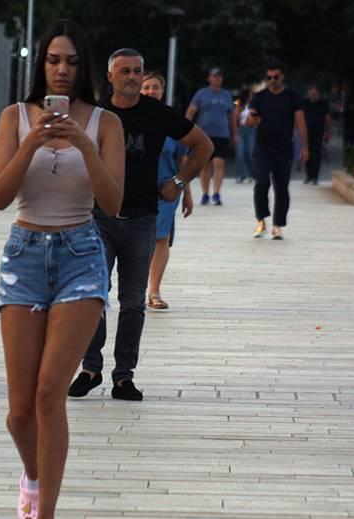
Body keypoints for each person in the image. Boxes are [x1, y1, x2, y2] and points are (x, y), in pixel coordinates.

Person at [0, 19, 125, 519]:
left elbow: (112, 202)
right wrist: (33, 142)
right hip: (23, 256)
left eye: (71, 61)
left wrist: (83, 145)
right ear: (40, 64)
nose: (62, 70)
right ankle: (32, 476)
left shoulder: (105, 123)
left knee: (50, 393)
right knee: (19, 413)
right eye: (53, 60)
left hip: (81, 254)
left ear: (83, 66)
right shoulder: (14, 117)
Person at [68, 48, 212, 401]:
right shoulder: (95, 114)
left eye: (137, 71)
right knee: (92, 296)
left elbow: (203, 145)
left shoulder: (157, 113)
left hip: (142, 218)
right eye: (125, 71)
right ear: (110, 76)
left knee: (133, 301)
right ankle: (90, 368)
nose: (132, 77)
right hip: (97, 218)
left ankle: (123, 376)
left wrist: (178, 182)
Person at [140, 72, 193, 311]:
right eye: (146, 87)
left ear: (162, 91)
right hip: (137, 188)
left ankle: (154, 291)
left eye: (155, 87)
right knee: (139, 239)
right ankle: (135, 288)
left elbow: (183, 160)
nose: (150, 91)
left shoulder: (171, 120)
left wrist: (186, 191)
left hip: (167, 189)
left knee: (160, 237)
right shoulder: (128, 118)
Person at [246, 61, 308, 240]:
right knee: (261, 183)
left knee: (281, 187)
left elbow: (300, 121)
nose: (272, 80)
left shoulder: (292, 96)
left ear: (282, 77)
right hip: (262, 147)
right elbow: (249, 119)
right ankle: (261, 221)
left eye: (275, 77)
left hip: (284, 149)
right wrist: (251, 121)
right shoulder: (259, 97)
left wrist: (305, 146)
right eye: (269, 77)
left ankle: (277, 225)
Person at [186, 67, 236, 206]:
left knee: (219, 162)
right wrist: (185, 128)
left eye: (219, 76)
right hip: (204, 135)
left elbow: (232, 115)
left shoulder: (226, 95)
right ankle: (205, 194)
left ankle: (217, 193)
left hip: (222, 134)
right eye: (214, 76)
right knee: (205, 165)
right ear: (209, 78)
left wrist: (235, 133)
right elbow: (191, 110)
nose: (217, 79)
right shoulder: (201, 94)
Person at [301, 85, 332, 185]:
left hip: (318, 132)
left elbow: (328, 119)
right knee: (306, 153)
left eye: (315, 94)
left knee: (316, 155)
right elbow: (299, 116)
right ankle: (308, 175)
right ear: (308, 93)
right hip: (306, 132)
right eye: (311, 94)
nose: (313, 96)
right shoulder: (304, 102)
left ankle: (315, 176)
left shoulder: (323, 103)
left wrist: (328, 132)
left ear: (318, 94)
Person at [235, 87, 256, 183]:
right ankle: (240, 175)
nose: (252, 97)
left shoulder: (254, 105)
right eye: (250, 95)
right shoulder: (239, 104)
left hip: (251, 130)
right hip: (241, 130)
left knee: (251, 153)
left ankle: (252, 174)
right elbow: (235, 118)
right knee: (240, 153)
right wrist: (235, 132)